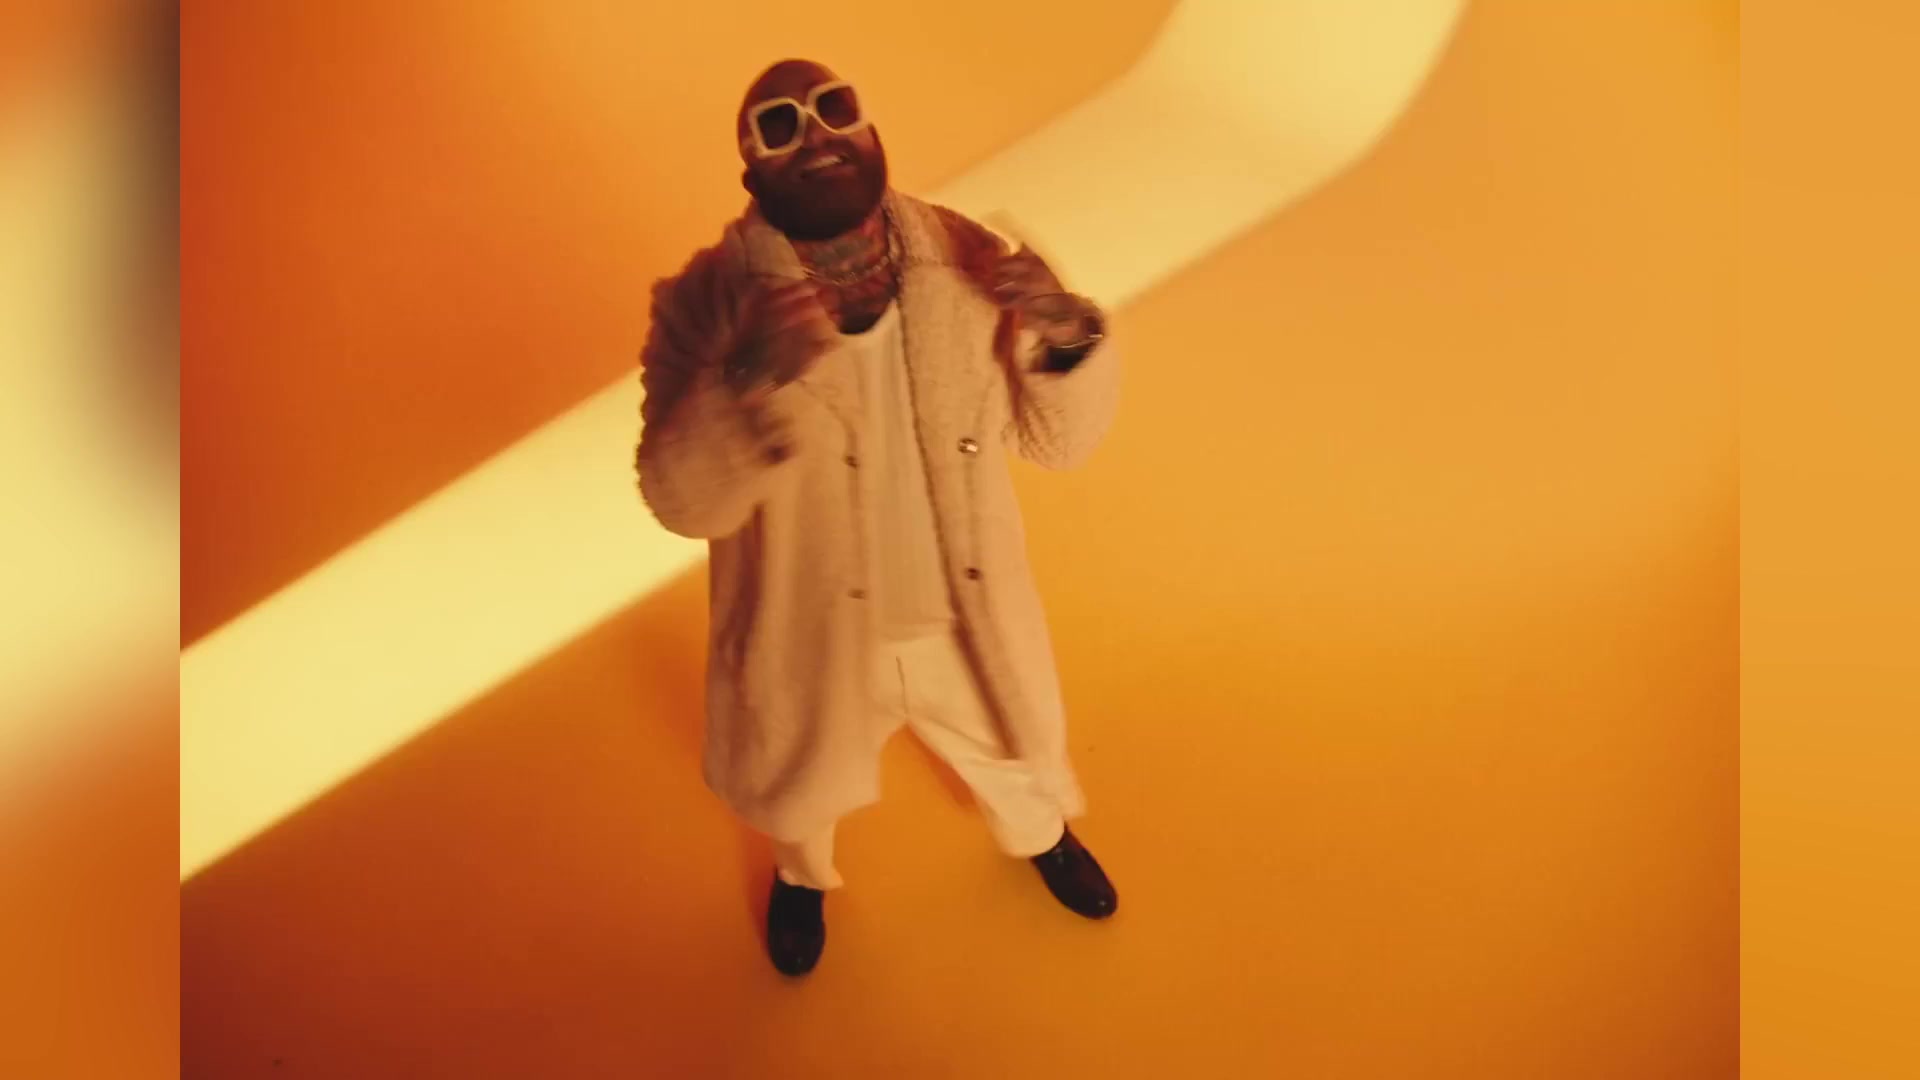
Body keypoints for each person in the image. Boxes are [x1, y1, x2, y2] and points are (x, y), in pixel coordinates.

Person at [634, 59, 1121, 977]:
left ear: (870, 130)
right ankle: (801, 878)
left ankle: (1042, 835)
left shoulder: (967, 255)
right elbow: (679, 501)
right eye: (779, 125)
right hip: (811, 628)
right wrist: (745, 380)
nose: (815, 134)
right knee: (798, 791)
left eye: (834, 108)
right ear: (751, 170)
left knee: (1010, 749)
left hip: (958, 608)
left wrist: (1066, 334)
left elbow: (1055, 442)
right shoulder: (704, 302)